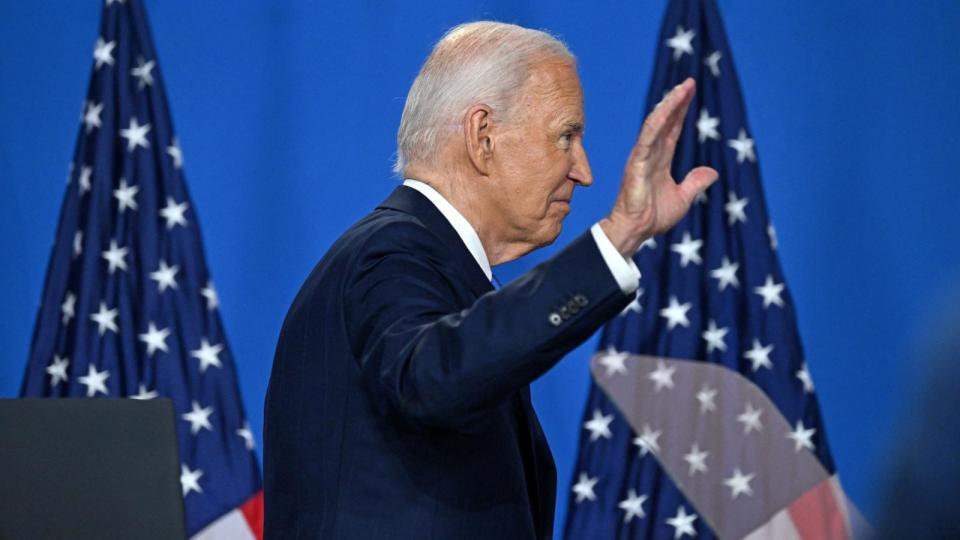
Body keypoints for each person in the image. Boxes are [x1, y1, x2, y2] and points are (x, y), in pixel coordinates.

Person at [263, 21, 716, 539]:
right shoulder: (390, 252)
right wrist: (618, 238)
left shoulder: (436, 270)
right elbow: (434, 376)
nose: (584, 171)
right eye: (565, 136)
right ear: (483, 137)